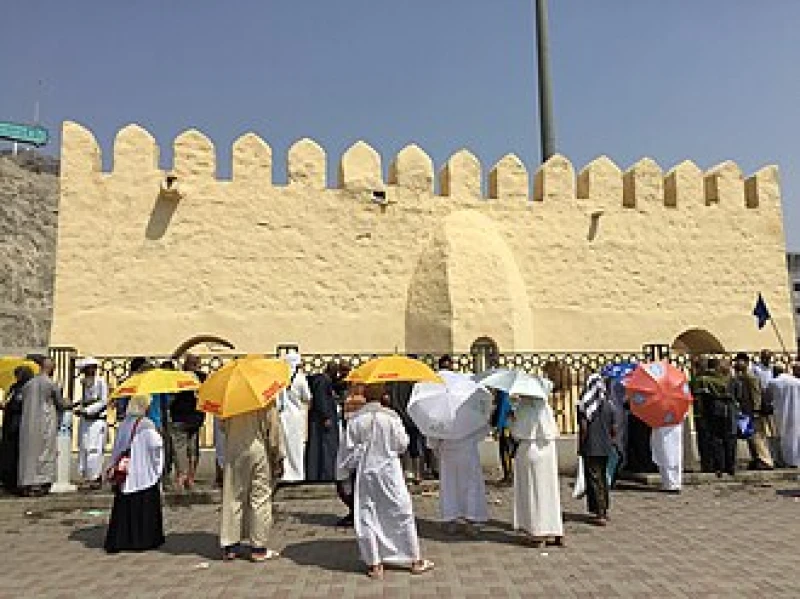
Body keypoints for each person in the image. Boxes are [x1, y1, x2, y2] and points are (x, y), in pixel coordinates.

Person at [337, 384, 434, 579]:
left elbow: (346, 450)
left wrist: (344, 473)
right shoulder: (391, 417)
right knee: (400, 510)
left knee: (367, 513)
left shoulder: (356, 419)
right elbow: (402, 444)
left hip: (366, 472)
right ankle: (414, 559)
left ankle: (375, 563)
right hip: (389, 471)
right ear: (383, 395)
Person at [428, 356, 489, 536]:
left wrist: (434, 446)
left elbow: (432, 431)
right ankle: (472, 518)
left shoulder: (436, 396)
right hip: (467, 448)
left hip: (447, 449)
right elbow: (482, 428)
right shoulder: (466, 392)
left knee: (449, 485)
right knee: (470, 484)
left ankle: (451, 518)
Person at [220, 398, 284, 562]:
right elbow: (273, 429)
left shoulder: (228, 399)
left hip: (234, 449)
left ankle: (231, 544)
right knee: (260, 497)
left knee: (233, 496)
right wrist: (278, 455)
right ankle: (258, 547)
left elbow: (222, 427)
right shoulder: (264, 397)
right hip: (257, 447)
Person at [104, 394, 165, 553]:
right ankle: (144, 539)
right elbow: (155, 445)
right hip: (143, 471)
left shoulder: (125, 423)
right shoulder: (145, 424)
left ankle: (124, 539)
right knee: (143, 504)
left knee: (125, 505)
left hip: (127, 471)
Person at [510, 394, 564, 548]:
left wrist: (512, 421)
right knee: (549, 492)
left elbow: (517, 433)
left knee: (532, 492)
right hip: (548, 452)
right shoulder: (545, 409)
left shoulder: (524, 408)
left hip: (529, 450)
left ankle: (537, 532)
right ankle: (554, 529)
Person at [17, 357, 69, 496]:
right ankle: (39, 483)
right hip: (45, 423)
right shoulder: (50, 384)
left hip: (28, 424)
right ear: (52, 368)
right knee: (44, 452)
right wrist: (69, 403)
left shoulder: (28, 384)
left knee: (28, 454)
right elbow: (61, 403)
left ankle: (26, 483)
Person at [578, 376, 617, 526]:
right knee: (602, 478)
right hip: (606, 447)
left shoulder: (586, 405)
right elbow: (614, 429)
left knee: (594, 479)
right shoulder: (610, 405)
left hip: (591, 447)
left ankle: (600, 511)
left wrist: (581, 445)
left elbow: (583, 429)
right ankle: (604, 509)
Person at [692, 358, 737, 476]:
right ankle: (729, 466)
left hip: (707, 412)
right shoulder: (726, 379)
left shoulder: (701, 380)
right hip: (727, 411)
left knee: (713, 440)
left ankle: (714, 466)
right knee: (728, 439)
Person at [170, 354, 207, 491]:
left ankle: (181, 476)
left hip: (180, 417)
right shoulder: (203, 378)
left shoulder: (179, 377)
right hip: (196, 418)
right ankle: (190, 478)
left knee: (180, 449)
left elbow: (172, 396)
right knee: (193, 450)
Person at [731, 353, 774, 470]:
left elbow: (756, 394)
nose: (736, 364)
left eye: (739, 361)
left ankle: (765, 460)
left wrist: (756, 409)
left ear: (745, 362)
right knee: (750, 437)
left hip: (753, 412)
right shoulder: (741, 376)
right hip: (745, 411)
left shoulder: (751, 377)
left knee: (757, 436)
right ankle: (757, 458)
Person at [74, 357, 109, 490]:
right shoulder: (84, 383)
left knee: (94, 449)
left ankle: (95, 477)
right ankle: (87, 476)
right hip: (85, 421)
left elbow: (103, 401)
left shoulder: (101, 382)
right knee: (84, 448)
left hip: (96, 420)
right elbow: (85, 399)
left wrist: (88, 410)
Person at [0, 365, 35, 493]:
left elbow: (20, 405)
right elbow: (9, 401)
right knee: (7, 452)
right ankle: (6, 480)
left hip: (19, 424)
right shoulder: (14, 388)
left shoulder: (27, 389)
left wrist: (10, 405)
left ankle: (16, 482)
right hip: (10, 423)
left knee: (17, 454)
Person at [278, 351, 311, 481]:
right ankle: (297, 473)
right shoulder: (300, 378)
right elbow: (307, 397)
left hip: (283, 415)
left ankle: (286, 473)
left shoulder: (280, 378)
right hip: (296, 417)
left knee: (285, 446)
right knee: (296, 446)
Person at [306, 362, 340, 481]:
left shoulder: (323, 380)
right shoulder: (323, 381)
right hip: (324, 419)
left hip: (322, 419)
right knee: (326, 447)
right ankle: (325, 474)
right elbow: (321, 399)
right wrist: (326, 416)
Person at [767, 363, 800, 468]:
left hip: (780, 413)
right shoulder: (797, 381)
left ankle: (783, 460)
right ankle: (795, 460)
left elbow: (768, 397)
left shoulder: (773, 382)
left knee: (781, 436)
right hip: (796, 411)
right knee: (795, 436)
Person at [689, 357, 714, 473]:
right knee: (710, 438)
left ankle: (707, 463)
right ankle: (711, 463)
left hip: (701, 413)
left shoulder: (697, 380)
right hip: (709, 413)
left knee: (704, 439)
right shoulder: (711, 379)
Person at [650, 419, 684, 493]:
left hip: (663, 419)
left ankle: (670, 483)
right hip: (674, 420)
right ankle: (675, 482)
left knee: (665, 450)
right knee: (674, 451)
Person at [493, 389, 517, 485]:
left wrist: (498, 428)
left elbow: (502, 411)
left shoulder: (503, 393)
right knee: (507, 450)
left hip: (505, 427)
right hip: (508, 425)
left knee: (505, 452)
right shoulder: (507, 393)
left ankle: (508, 476)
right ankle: (509, 475)